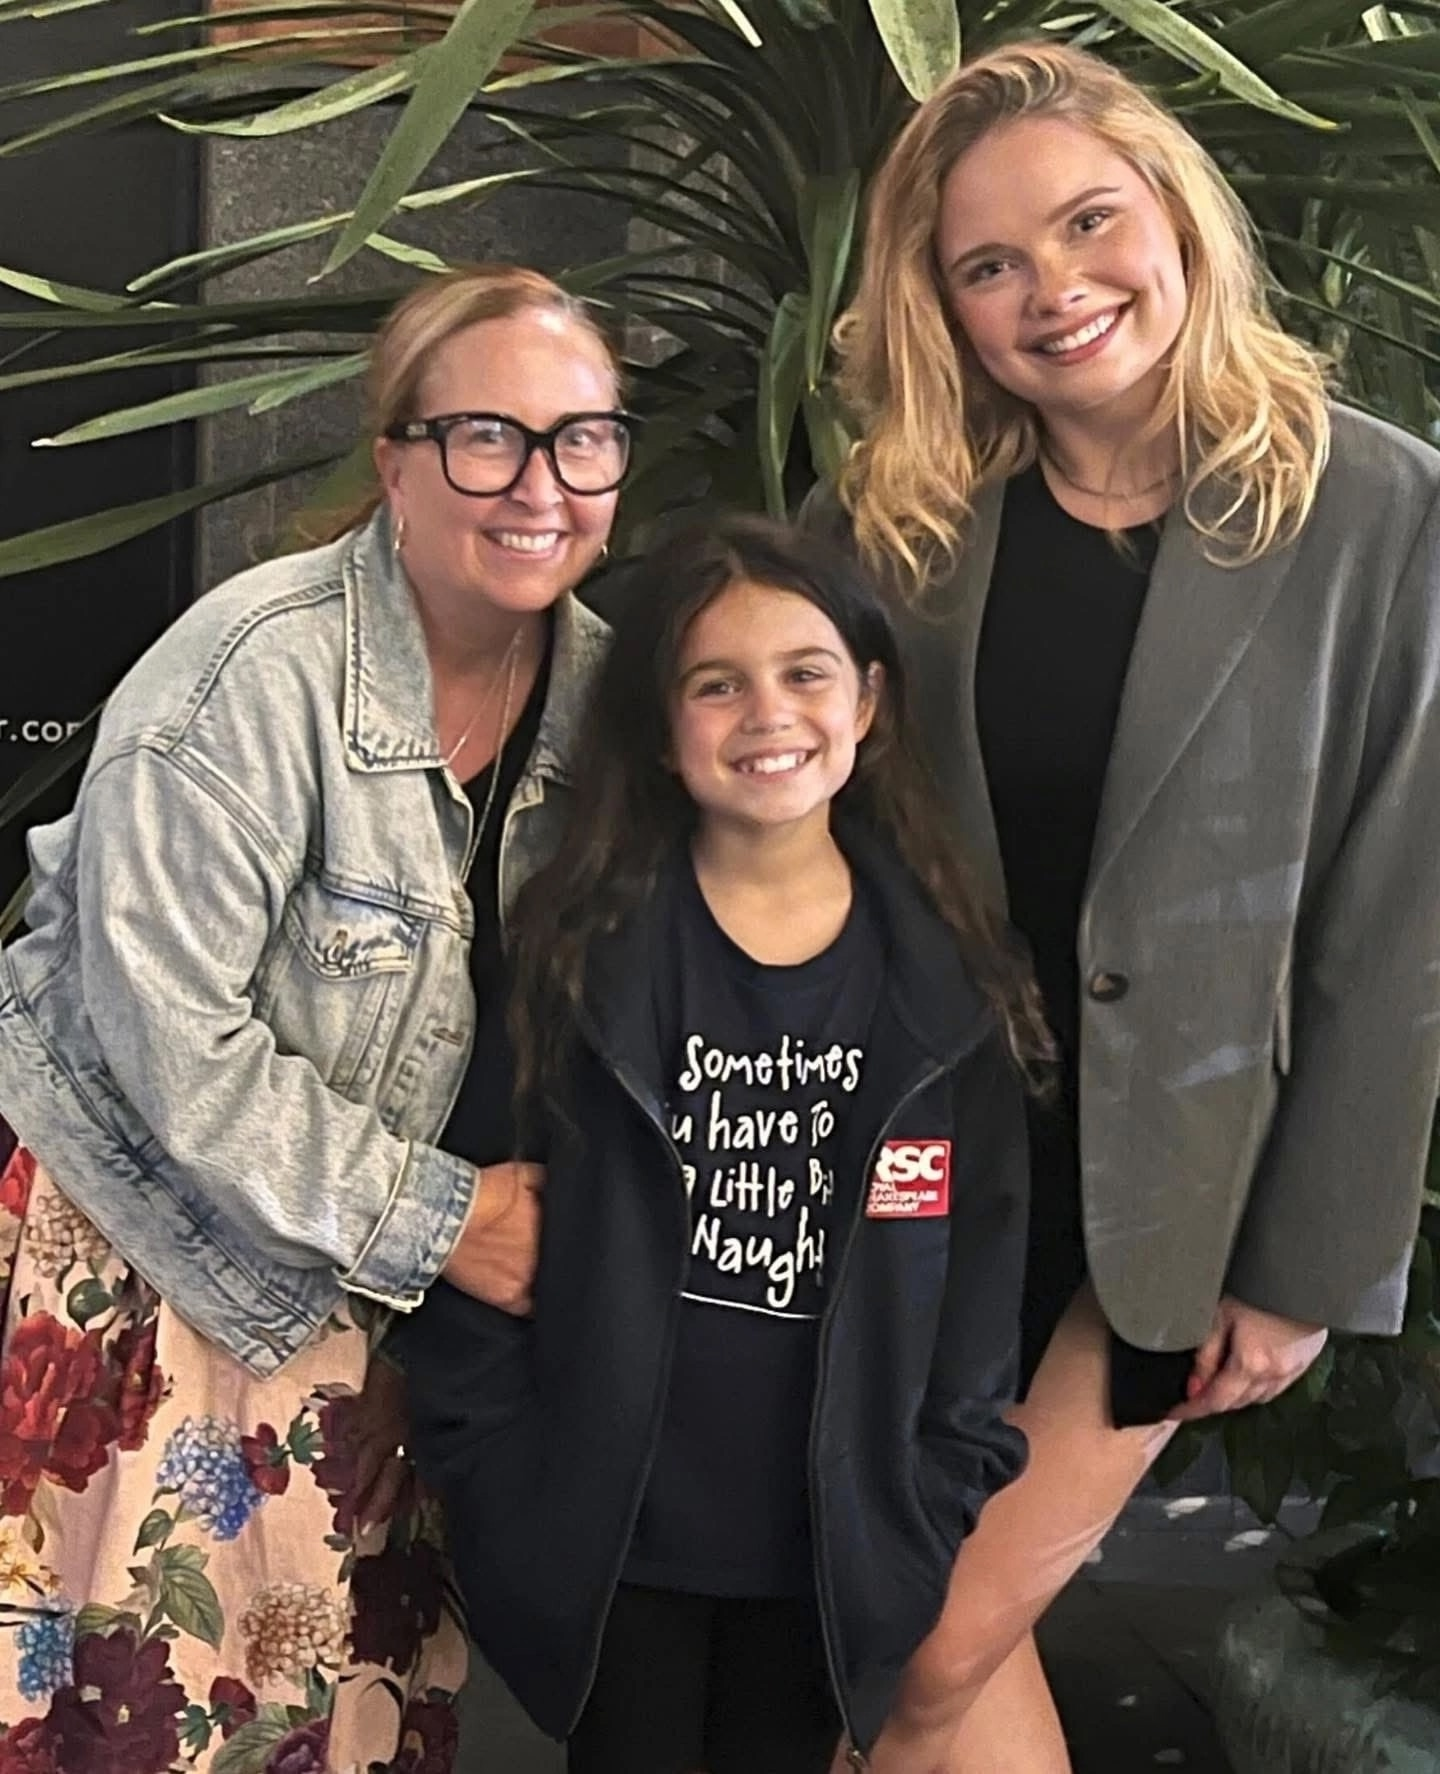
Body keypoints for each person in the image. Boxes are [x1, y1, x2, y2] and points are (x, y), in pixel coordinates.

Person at [799, 39, 1440, 1773]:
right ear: (939, 306)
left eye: (1089, 222)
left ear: (1174, 215)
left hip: (1173, 1190)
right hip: (917, 1176)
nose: (1055, 287)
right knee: (921, 1633)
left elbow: (1399, 923)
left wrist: (1304, 1264)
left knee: (920, 1642)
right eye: (989, 263)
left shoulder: (1376, 507)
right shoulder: (894, 523)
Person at [0, 263, 629, 1772]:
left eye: (583, 438)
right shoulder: (245, 679)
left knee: (334, 1707)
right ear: (396, 459)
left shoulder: (615, 698)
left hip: (375, 1271)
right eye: (487, 437)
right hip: (143, 1244)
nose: (539, 485)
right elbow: (176, 1052)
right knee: (138, 1715)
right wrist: (445, 1223)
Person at [396, 513, 1047, 1774]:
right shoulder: (569, 959)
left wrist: (928, 1499)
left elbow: (981, 1277)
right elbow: (475, 1217)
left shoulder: (948, 992)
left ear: (868, 704)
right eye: (717, 684)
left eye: (805, 673)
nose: (768, 714)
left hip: (828, 1552)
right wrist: (502, 1478)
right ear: (659, 727)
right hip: (610, 1543)